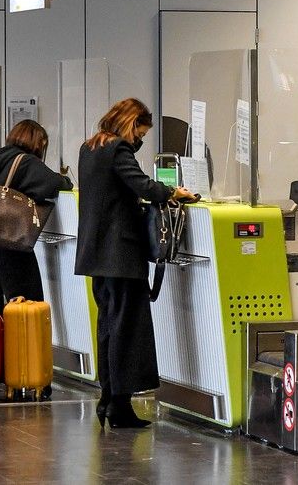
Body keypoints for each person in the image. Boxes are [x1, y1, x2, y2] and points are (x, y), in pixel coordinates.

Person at [74, 97, 196, 429]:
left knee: (108, 326)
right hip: (120, 254)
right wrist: (173, 192)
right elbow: (141, 185)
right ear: (132, 123)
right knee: (127, 328)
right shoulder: (117, 149)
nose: (141, 138)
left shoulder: (90, 148)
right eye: (141, 130)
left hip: (96, 255)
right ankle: (119, 405)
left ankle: (109, 398)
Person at [0, 119, 72, 316]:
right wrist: (66, 180)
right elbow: (54, 184)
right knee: (27, 303)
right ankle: (23, 347)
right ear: (37, 142)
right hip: (10, 239)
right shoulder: (25, 161)